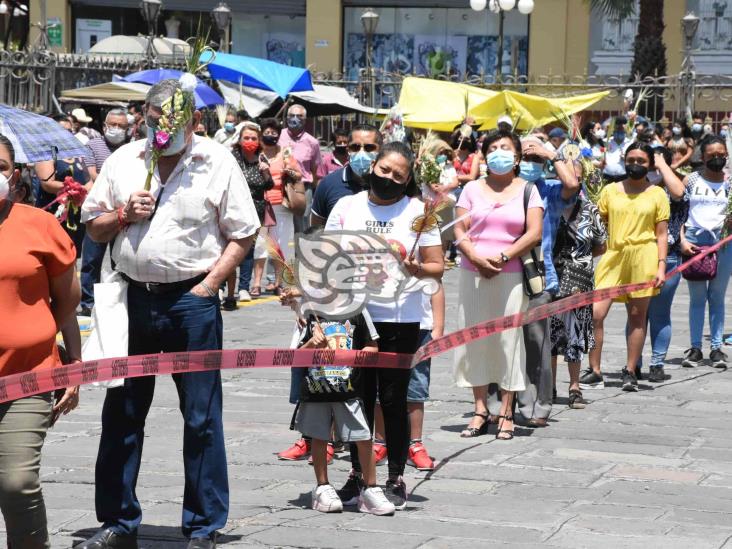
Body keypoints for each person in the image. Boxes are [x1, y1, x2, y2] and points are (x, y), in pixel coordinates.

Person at [78, 78, 260, 549]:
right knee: (122, 410)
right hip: (133, 299)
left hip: (190, 302)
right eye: (157, 120)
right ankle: (118, 520)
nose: (165, 129)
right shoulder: (124, 161)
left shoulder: (217, 162)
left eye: (176, 121)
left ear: (194, 121)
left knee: (200, 416)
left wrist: (209, 286)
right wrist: (122, 215)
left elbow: (243, 233)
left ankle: (202, 525)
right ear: (145, 116)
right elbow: (93, 229)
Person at [325, 141, 444, 510]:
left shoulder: (419, 212)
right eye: (384, 170)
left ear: (408, 180)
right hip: (355, 317)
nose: (389, 178)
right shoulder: (347, 206)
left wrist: (415, 268)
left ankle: (394, 477)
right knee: (355, 398)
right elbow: (326, 256)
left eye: (398, 175)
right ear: (372, 167)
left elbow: (436, 266)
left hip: (401, 317)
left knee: (393, 399)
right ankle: (359, 475)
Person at [278, 123, 382, 462]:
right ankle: (313, 436)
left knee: (364, 373)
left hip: (376, 295)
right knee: (314, 360)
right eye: (354, 147)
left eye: (370, 148)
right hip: (333, 291)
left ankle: (370, 442)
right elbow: (315, 237)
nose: (362, 155)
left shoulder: (390, 182)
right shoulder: (331, 185)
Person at [0, 134, 81, 548]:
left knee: (16, 482)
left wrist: (76, 369)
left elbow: (67, 303)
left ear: (14, 175)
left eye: (0, 165)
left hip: (28, 376)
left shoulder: (40, 225)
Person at [452, 129, 544, 441]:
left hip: (511, 274)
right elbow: (459, 230)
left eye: (505, 147)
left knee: (509, 342)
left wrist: (503, 257)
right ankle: (480, 409)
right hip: (472, 273)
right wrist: (476, 258)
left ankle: (506, 410)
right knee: (475, 339)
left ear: (517, 157)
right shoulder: (471, 190)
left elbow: (533, 233)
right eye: (493, 147)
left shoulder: (528, 190)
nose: (499, 152)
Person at [288, 290, 395, 515]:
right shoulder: (310, 313)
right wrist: (311, 344)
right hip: (317, 388)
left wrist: (352, 356)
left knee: (363, 436)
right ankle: (323, 487)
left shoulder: (358, 311)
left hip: (348, 389)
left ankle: (371, 488)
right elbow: (297, 356)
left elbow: (372, 347)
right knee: (319, 436)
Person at [585, 143, 669, 392]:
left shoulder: (657, 194)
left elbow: (662, 234)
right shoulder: (610, 190)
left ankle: (630, 370)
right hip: (613, 255)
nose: (636, 164)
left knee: (636, 315)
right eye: (631, 159)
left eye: (642, 160)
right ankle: (595, 369)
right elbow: (598, 224)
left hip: (644, 255)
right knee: (595, 314)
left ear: (650, 164)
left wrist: (661, 266)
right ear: (624, 160)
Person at [629, 147, 686, 383]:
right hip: (637, 257)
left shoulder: (673, 187)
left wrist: (662, 164)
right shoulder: (633, 188)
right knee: (636, 314)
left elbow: (678, 192)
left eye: (649, 163)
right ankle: (634, 364)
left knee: (660, 313)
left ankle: (657, 363)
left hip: (668, 257)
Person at [550, 190, 607, 408]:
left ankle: (575, 386)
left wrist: (579, 261)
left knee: (576, 333)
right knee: (550, 333)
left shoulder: (589, 209)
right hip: (550, 276)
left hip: (579, 280)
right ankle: (549, 385)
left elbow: (601, 244)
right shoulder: (547, 206)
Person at [679, 136, 732, 369]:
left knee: (718, 297)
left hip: (723, 244)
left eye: (721, 154)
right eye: (712, 155)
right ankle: (695, 347)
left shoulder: (730, 183)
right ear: (702, 157)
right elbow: (678, 214)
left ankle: (716, 347)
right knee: (697, 297)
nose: (717, 158)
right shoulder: (691, 180)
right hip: (694, 243)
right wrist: (681, 241)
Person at [78, 108, 130, 315]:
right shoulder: (93, 145)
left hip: (125, 212)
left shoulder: (133, 148)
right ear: (104, 126)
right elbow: (93, 175)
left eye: (121, 126)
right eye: (113, 124)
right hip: (99, 212)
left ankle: (120, 300)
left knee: (122, 260)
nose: (116, 129)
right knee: (91, 260)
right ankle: (88, 303)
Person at [225, 121, 274, 309]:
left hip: (255, 211)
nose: (250, 141)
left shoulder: (261, 158)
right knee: (228, 248)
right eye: (246, 138)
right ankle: (223, 286)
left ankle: (243, 287)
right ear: (240, 139)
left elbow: (269, 186)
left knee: (248, 250)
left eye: (254, 138)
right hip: (233, 209)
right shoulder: (232, 158)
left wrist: (266, 172)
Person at [259, 118, 306, 295]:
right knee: (262, 245)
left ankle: (287, 282)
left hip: (281, 204)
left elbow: (298, 174)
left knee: (285, 245)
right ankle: (264, 281)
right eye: (267, 132)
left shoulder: (285, 153)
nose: (270, 135)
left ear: (279, 135)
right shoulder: (257, 152)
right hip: (260, 204)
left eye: (274, 133)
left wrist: (289, 171)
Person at [35, 115, 93, 257]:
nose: (65, 134)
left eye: (69, 130)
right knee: (53, 255)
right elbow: (47, 183)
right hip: (54, 214)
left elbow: (90, 179)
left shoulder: (78, 153)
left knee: (72, 254)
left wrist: (83, 189)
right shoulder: (46, 153)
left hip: (75, 215)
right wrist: (72, 188)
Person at [279, 104, 322, 233]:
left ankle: (300, 252)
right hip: (280, 185)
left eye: (299, 116)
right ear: (287, 118)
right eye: (292, 115)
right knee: (281, 222)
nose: (295, 119)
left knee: (302, 224)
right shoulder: (279, 137)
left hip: (303, 187)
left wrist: (311, 188)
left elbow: (315, 169)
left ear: (305, 119)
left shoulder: (312, 142)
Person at [602, 116, 633, 182]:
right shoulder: (605, 142)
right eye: (617, 129)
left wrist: (626, 158)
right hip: (607, 176)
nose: (619, 130)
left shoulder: (630, 143)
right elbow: (601, 154)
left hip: (623, 176)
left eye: (621, 129)